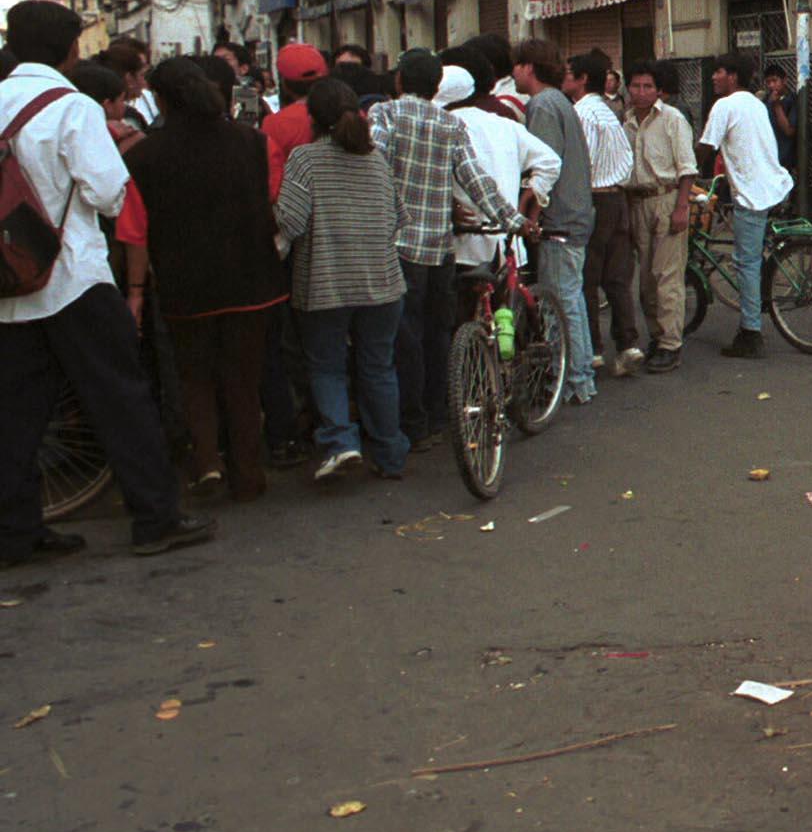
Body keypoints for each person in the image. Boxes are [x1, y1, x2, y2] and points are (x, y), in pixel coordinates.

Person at [0, 2, 214, 566]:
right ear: (70, 49)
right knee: (120, 397)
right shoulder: (70, 107)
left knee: (15, 412)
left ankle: (15, 531)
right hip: (72, 277)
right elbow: (108, 192)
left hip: (10, 282)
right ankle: (155, 517)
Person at [119, 57, 288, 501]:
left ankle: (207, 464)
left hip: (183, 283)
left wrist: (136, 292)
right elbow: (273, 199)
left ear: (161, 99)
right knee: (242, 380)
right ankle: (248, 473)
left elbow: (134, 232)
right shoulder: (255, 143)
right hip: (251, 277)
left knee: (194, 378)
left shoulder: (142, 156)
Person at [372, 49, 526, 447]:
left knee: (403, 338)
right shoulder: (449, 126)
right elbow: (476, 181)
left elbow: (374, 170)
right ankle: (440, 414)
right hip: (440, 248)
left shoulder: (384, 117)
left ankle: (413, 422)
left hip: (398, 247)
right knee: (437, 333)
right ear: (436, 87)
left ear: (400, 81)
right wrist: (514, 220)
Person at [276, 78, 411, 482]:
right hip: (383, 281)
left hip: (326, 283)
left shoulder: (305, 159)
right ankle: (390, 454)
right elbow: (398, 218)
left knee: (327, 366)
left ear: (314, 118)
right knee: (378, 367)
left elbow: (291, 221)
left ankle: (341, 443)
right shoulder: (376, 160)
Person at [512, 38, 597, 404]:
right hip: (575, 214)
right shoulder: (558, 101)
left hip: (561, 218)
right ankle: (581, 377)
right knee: (571, 299)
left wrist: (531, 212)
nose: (513, 72)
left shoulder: (543, 105)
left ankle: (574, 380)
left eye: (516, 65)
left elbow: (544, 167)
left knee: (561, 302)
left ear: (529, 67)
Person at [697, 53, 794, 358]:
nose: (714, 77)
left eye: (719, 72)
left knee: (745, 262)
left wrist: (691, 176)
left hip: (753, 193)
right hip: (775, 185)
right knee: (755, 256)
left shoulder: (725, 105)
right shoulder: (755, 103)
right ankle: (761, 296)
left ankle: (751, 332)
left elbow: (706, 148)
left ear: (733, 76)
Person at [435, 52, 559, 273]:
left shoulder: (442, 127)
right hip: (508, 244)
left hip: (463, 247)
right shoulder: (505, 125)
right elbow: (550, 162)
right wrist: (530, 200)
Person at [565, 52, 640, 375]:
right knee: (617, 278)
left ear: (582, 79)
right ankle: (627, 345)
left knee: (588, 279)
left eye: (569, 73)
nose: (564, 78)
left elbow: (584, 162)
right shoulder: (609, 113)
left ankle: (593, 348)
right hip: (618, 198)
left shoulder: (581, 114)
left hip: (594, 198)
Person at [622, 61, 698, 373]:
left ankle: (670, 344)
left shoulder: (672, 119)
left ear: (658, 91)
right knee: (646, 280)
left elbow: (687, 168)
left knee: (667, 276)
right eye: (636, 86)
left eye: (648, 87)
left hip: (667, 199)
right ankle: (657, 335)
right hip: (637, 202)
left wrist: (682, 208)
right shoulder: (625, 123)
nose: (641, 92)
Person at [265, 43, 327, 198]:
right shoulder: (355, 114)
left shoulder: (274, 123)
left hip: (296, 208)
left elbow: (273, 182)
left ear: (285, 84)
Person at [762, 65, 798, 171]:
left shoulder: (792, 100)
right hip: (768, 155)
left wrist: (777, 106)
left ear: (784, 80)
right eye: (768, 82)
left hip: (785, 156)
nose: (772, 85)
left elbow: (789, 131)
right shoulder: (765, 101)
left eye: (775, 81)